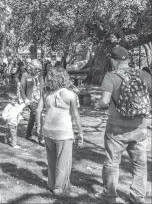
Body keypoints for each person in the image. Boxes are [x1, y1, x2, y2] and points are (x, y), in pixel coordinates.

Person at [94, 47, 152, 204]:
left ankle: (109, 196)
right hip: (139, 126)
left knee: (112, 162)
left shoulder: (111, 76)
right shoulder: (145, 75)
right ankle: (138, 197)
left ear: (113, 60)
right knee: (140, 164)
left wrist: (98, 104)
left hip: (116, 127)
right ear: (128, 59)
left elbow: (105, 101)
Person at [36, 67, 83, 198]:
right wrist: (80, 132)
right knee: (64, 162)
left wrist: (38, 126)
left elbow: (38, 110)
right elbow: (75, 114)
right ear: (64, 77)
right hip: (63, 132)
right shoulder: (70, 94)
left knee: (51, 160)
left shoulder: (45, 93)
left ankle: (52, 185)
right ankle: (60, 189)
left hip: (47, 130)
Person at [20, 59, 44, 144]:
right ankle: (41, 138)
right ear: (31, 67)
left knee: (33, 117)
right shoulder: (25, 75)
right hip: (30, 100)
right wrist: (25, 99)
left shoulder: (40, 76)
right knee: (39, 116)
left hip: (39, 99)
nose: (37, 71)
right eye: (36, 69)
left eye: (39, 69)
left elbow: (42, 87)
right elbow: (22, 89)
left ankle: (28, 133)